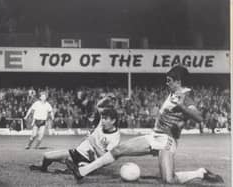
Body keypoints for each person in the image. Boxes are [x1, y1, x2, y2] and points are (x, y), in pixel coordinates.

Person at [66, 65, 223, 184]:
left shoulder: (185, 96)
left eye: (169, 81)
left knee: (169, 180)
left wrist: (181, 107)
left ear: (178, 81)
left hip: (166, 142)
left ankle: (201, 173)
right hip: (155, 136)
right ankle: (82, 171)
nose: (166, 83)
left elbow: (199, 118)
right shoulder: (173, 93)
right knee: (118, 149)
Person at [29, 108, 120, 173]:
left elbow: (106, 157)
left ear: (113, 121)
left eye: (105, 119)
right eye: (102, 118)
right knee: (47, 156)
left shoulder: (115, 137)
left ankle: (76, 168)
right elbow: (99, 107)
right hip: (76, 152)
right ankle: (43, 168)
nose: (102, 121)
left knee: (81, 170)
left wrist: (94, 144)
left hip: (90, 160)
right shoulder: (101, 125)